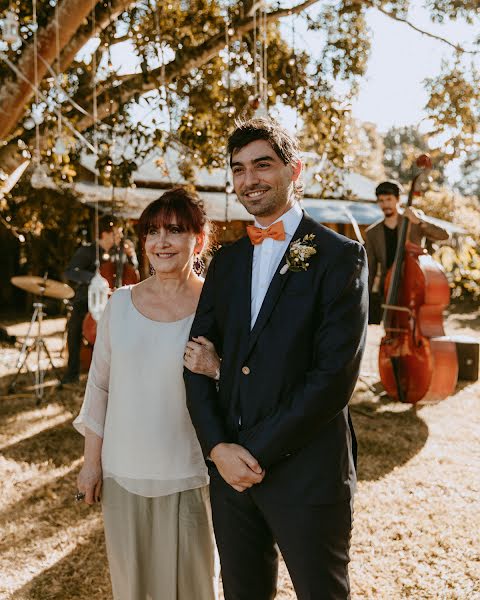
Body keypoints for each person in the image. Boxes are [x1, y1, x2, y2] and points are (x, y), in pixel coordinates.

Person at [184, 118, 368, 600]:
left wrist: (255, 453)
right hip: (230, 475)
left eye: (262, 165)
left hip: (307, 470)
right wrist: (218, 448)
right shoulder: (225, 262)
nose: (249, 180)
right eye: (238, 169)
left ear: (295, 170)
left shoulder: (339, 256)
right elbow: (195, 361)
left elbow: (332, 378)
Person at [73, 188, 219, 600]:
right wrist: (91, 466)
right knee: (132, 590)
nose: (161, 242)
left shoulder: (218, 306)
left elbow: (245, 386)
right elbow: (99, 388)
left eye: (175, 230)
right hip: (124, 473)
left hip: (192, 473)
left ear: (199, 239)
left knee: (194, 589)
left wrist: (217, 367)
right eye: (152, 231)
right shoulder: (119, 304)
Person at [62, 215, 138, 384]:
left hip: (112, 301)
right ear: (105, 234)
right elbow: (70, 272)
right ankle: (72, 371)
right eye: (116, 232)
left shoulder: (117, 252)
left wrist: (131, 256)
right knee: (74, 328)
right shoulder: (88, 250)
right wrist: (93, 278)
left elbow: (132, 272)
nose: (119, 236)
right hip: (86, 301)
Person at [365, 180, 449, 317]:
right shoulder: (372, 232)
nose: (385, 204)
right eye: (381, 200)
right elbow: (371, 266)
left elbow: (444, 235)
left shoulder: (413, 220)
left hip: (416, 284)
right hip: (389, 287)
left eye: (388, 199)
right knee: (392, 326)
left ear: (398, 199)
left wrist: (420, 221)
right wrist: (366, 296)